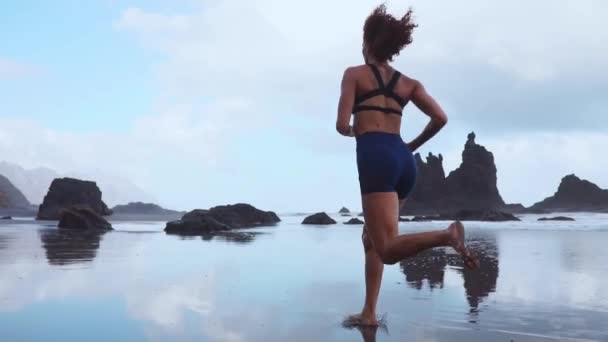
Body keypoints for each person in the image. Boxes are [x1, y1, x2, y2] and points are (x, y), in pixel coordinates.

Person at [335, 5, 479, 327]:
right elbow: (440, 118)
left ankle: (447, 235)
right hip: (403, 161)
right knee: (371, 238)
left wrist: (358, 130)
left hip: (376, 159)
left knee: (385, 248)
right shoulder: (409, 84)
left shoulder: (353, 74)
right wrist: (409, 146)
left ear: (368, 43)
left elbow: (341, 124)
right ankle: (370, 313)